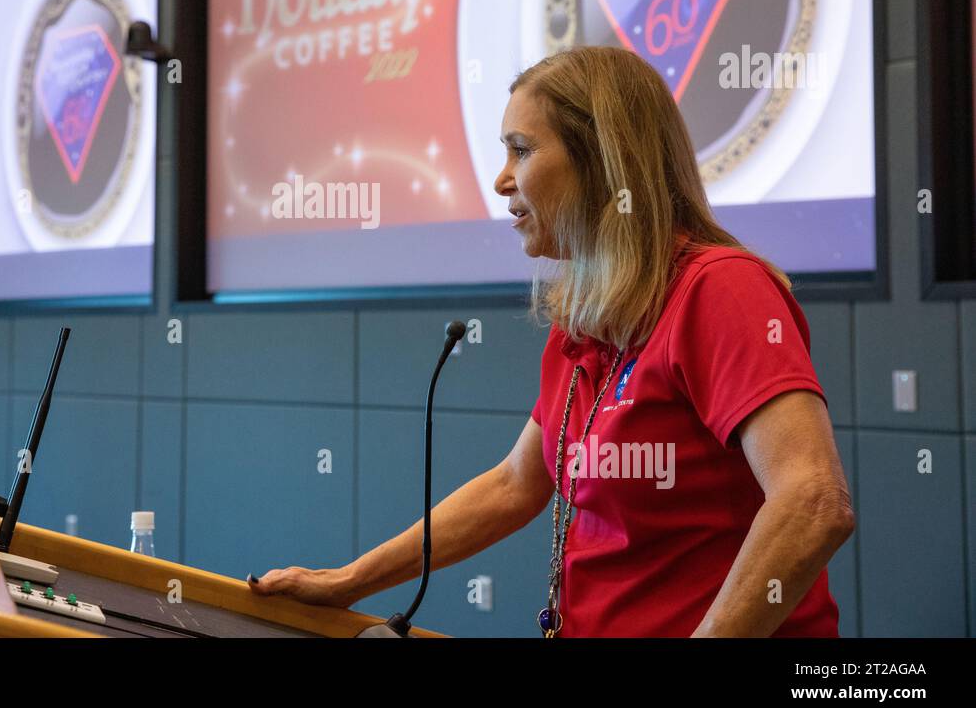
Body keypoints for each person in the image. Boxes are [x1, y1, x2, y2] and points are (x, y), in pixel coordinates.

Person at [247, 45, 854, 637]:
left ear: (603, 159)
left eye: (521, 150)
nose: (501, 179)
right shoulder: (589, 320)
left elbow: (813, 500)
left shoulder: (720, 290)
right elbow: (516, 485)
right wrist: (351, 582)